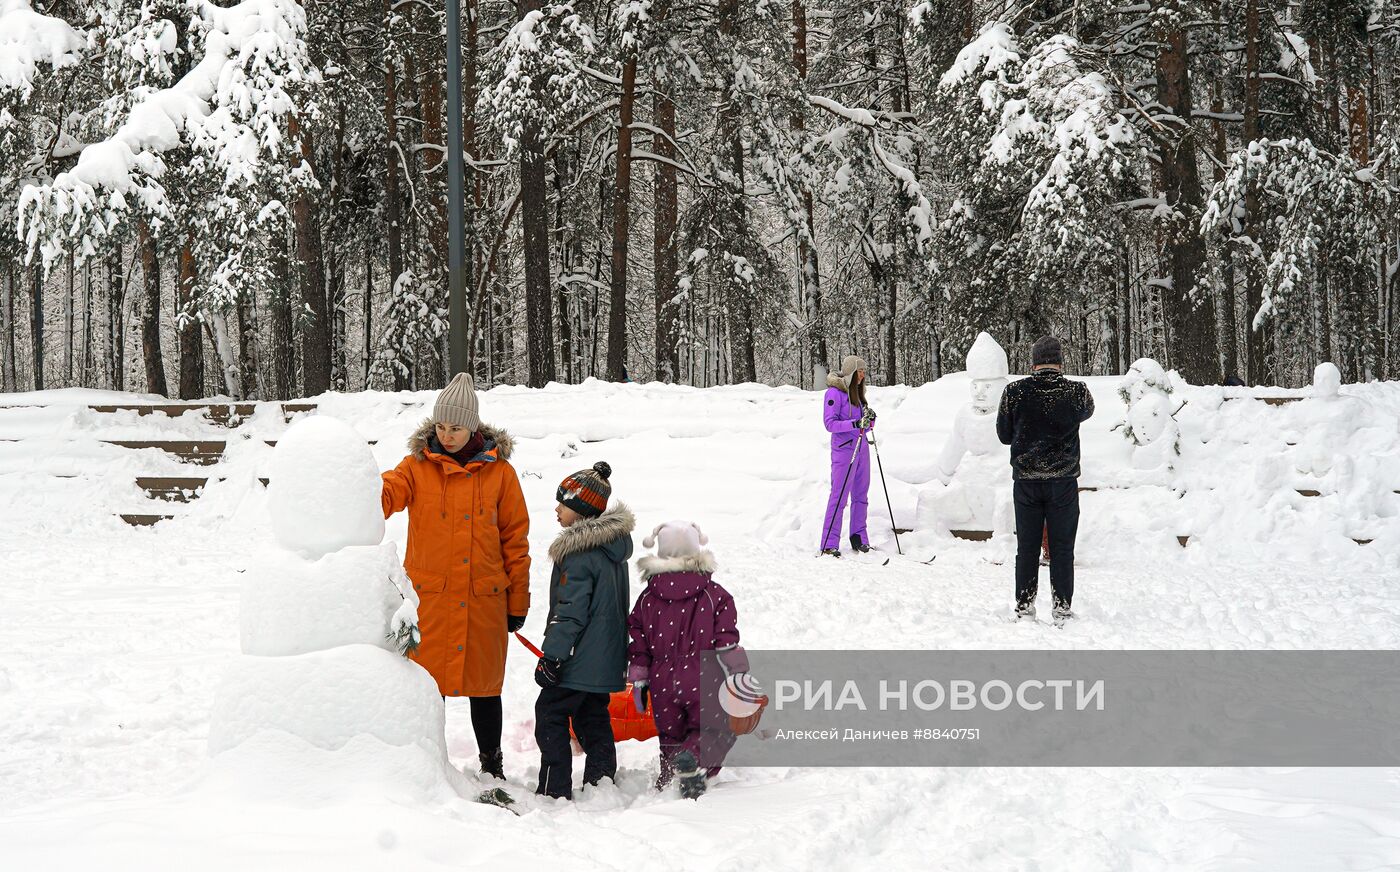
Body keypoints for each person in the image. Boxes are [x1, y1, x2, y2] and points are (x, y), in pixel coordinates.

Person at [381, 373, 531, 779]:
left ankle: (492, 765)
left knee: (485, 689)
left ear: (474, 427)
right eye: (442, 426)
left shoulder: (501, 474)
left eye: (457, 428)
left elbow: (515, 541)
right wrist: (351, 486)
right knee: (429, 689)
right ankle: (428, 762)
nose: (447, 435)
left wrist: (518, 602)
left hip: (484, 599)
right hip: (432, 601)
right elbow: (384, 495)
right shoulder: (415, 467)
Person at [533, 462, 634, 800]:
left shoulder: (579, 554)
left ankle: (553, 789)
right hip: (606, 656)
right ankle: (601, 781)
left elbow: (571, 612)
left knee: (550, 713)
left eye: (563, 503)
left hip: (579, 657)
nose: (557, 509)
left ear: (579, 510)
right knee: (592, 714)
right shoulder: (612, 549)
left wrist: (552, 657)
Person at [627, 520, 749, 799]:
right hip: (702, 675)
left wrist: (639, 679)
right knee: (717, 727)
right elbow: (726, 641)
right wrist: (739, 674)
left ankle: (669, 780)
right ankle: (695, 760)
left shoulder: (647, 598)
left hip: (661, 680)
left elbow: (639, 642)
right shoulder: (714, 595)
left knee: (670, 732)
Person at [995, 337, 1094, 625]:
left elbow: (1003, 435)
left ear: (1034, 361)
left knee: (1026, 547)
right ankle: (1062, 607)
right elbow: (1087, 411)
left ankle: (1024, 606)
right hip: (1062, 481)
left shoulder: (1014, 392)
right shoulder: (1076, 391)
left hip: (1026, 481)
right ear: (1060, 362)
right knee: (1062, 547)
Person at [820, 355, 876, 557]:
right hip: (844, 451)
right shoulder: (834, 393)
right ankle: (829, 543)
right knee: (839, 496)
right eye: (859, 371)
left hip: (862, 450)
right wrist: (855, 424)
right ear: (851, 372)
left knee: (861, 496)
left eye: (864, 371)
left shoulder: (858, 395)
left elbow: (865, 426)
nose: (862, 375)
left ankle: (859, 538)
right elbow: (830, 424)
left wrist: (870, 420)